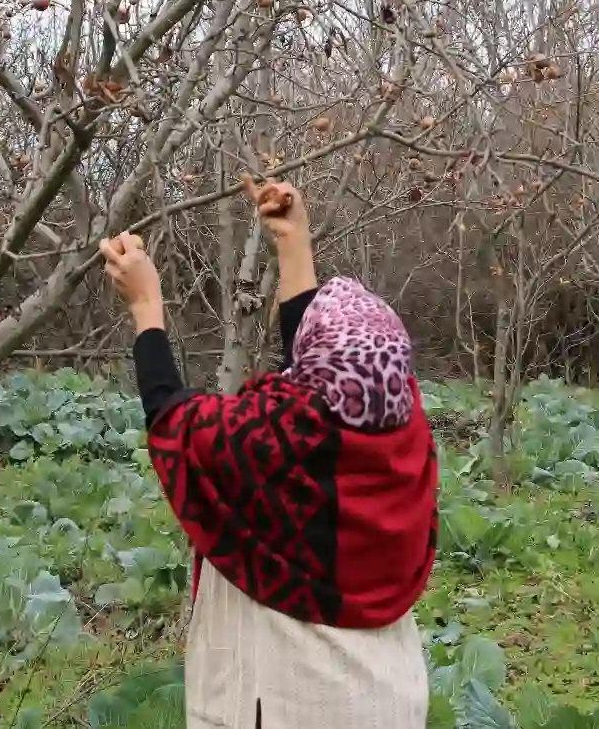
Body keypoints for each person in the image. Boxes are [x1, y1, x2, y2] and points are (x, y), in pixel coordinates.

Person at [98, 177, 438, 729]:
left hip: (292, 698)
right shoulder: (401, 434)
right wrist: (293, 242)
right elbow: (322, 370)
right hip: (386, 695)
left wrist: (145, 306)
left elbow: (173, 418)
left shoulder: (275, 447)